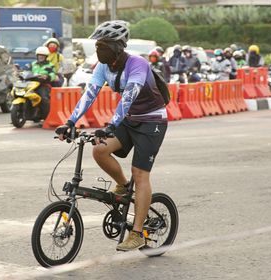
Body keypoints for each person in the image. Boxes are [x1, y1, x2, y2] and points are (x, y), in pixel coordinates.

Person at [55, 20, 168, 251]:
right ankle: (123, 186)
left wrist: (110, 124)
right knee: (100, 150)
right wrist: (69, 122)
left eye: (103, 45)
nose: (99, 50)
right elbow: (89, 94)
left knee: (140, 174)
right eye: (97, 45)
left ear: (118, 46)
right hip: (129, 119)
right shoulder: (103, 66)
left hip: (152, 121)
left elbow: (128, 98)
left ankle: (137, 233)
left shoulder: (137, 64)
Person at [29, 46, 56, 119]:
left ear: (46, 56)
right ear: (37, 56)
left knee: (44, 98)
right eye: (39, 55)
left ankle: (45, 117)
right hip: (31, 85)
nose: (41, 57)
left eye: (43, 55)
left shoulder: (50, 65)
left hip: (43, 85)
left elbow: (53, 74)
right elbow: (26, 71)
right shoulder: (33, 64)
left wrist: (47, 77)